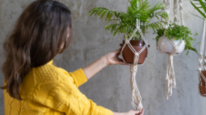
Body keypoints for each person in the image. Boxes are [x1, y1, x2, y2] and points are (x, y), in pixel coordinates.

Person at [1, 0, 144, 115]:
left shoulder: (16, 68)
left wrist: (105, 60)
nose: (69, 34)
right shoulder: (50, 78)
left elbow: (64, 84)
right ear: (53, 35)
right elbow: (88, 111)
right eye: (66, 29)